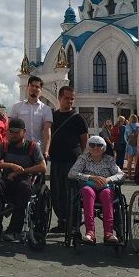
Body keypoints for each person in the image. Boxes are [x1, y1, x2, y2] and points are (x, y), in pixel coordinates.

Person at [0, 118, 47, 241]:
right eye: (11, 132)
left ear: (24, 132)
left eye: (16, 132)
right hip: (6, 181)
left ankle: (14, 230)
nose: (13, 135)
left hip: (24, 182)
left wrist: (21, 170)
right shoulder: (5, 145)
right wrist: (10, 166)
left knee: (24, 187)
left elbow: (42, 167)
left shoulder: (32, 146)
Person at [68, 136, 124, 244]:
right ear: (88, 147)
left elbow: (121, 175)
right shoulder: (83, 158)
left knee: (107, 193)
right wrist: (91, 177)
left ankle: (109, 233)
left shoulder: (109, 159)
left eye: (99, 145)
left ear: (104, 148)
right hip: (88, 187)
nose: (95, 147)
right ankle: (90, 232)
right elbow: (71, 173)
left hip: (105, 188)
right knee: (87, 191)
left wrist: (107, 179)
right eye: (92, 145)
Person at [48, 86, 88, 234]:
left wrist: (83, 159)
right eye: (67, 98)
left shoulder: (78, 118)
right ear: (59, 98)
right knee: (57, 192)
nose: (70, 101)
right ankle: (62, 222)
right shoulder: (53, 116)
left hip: (73, 161)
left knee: (72, 193)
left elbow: (84, 140)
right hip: (57, 160)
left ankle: (74, 225)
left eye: (72, 98)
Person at [9, 76, 53, 158]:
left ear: (41, 90)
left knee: (37, 171)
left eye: (37, 87)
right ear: (27, 87)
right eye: (32, 85)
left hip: (37, 150)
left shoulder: (46, 109)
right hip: (19, 149)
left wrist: (46, 151)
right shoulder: (16, 107)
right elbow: (9, 128)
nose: (34, 88)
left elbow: (47, 132)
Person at [124, 115, 139, 180]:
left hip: (130, 146)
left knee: (129, 162)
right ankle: (136, 175)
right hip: (137, 145)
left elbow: (125, 136)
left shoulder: (127, 126)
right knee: (136, 162)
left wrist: (128, 142)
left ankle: (129, 175)